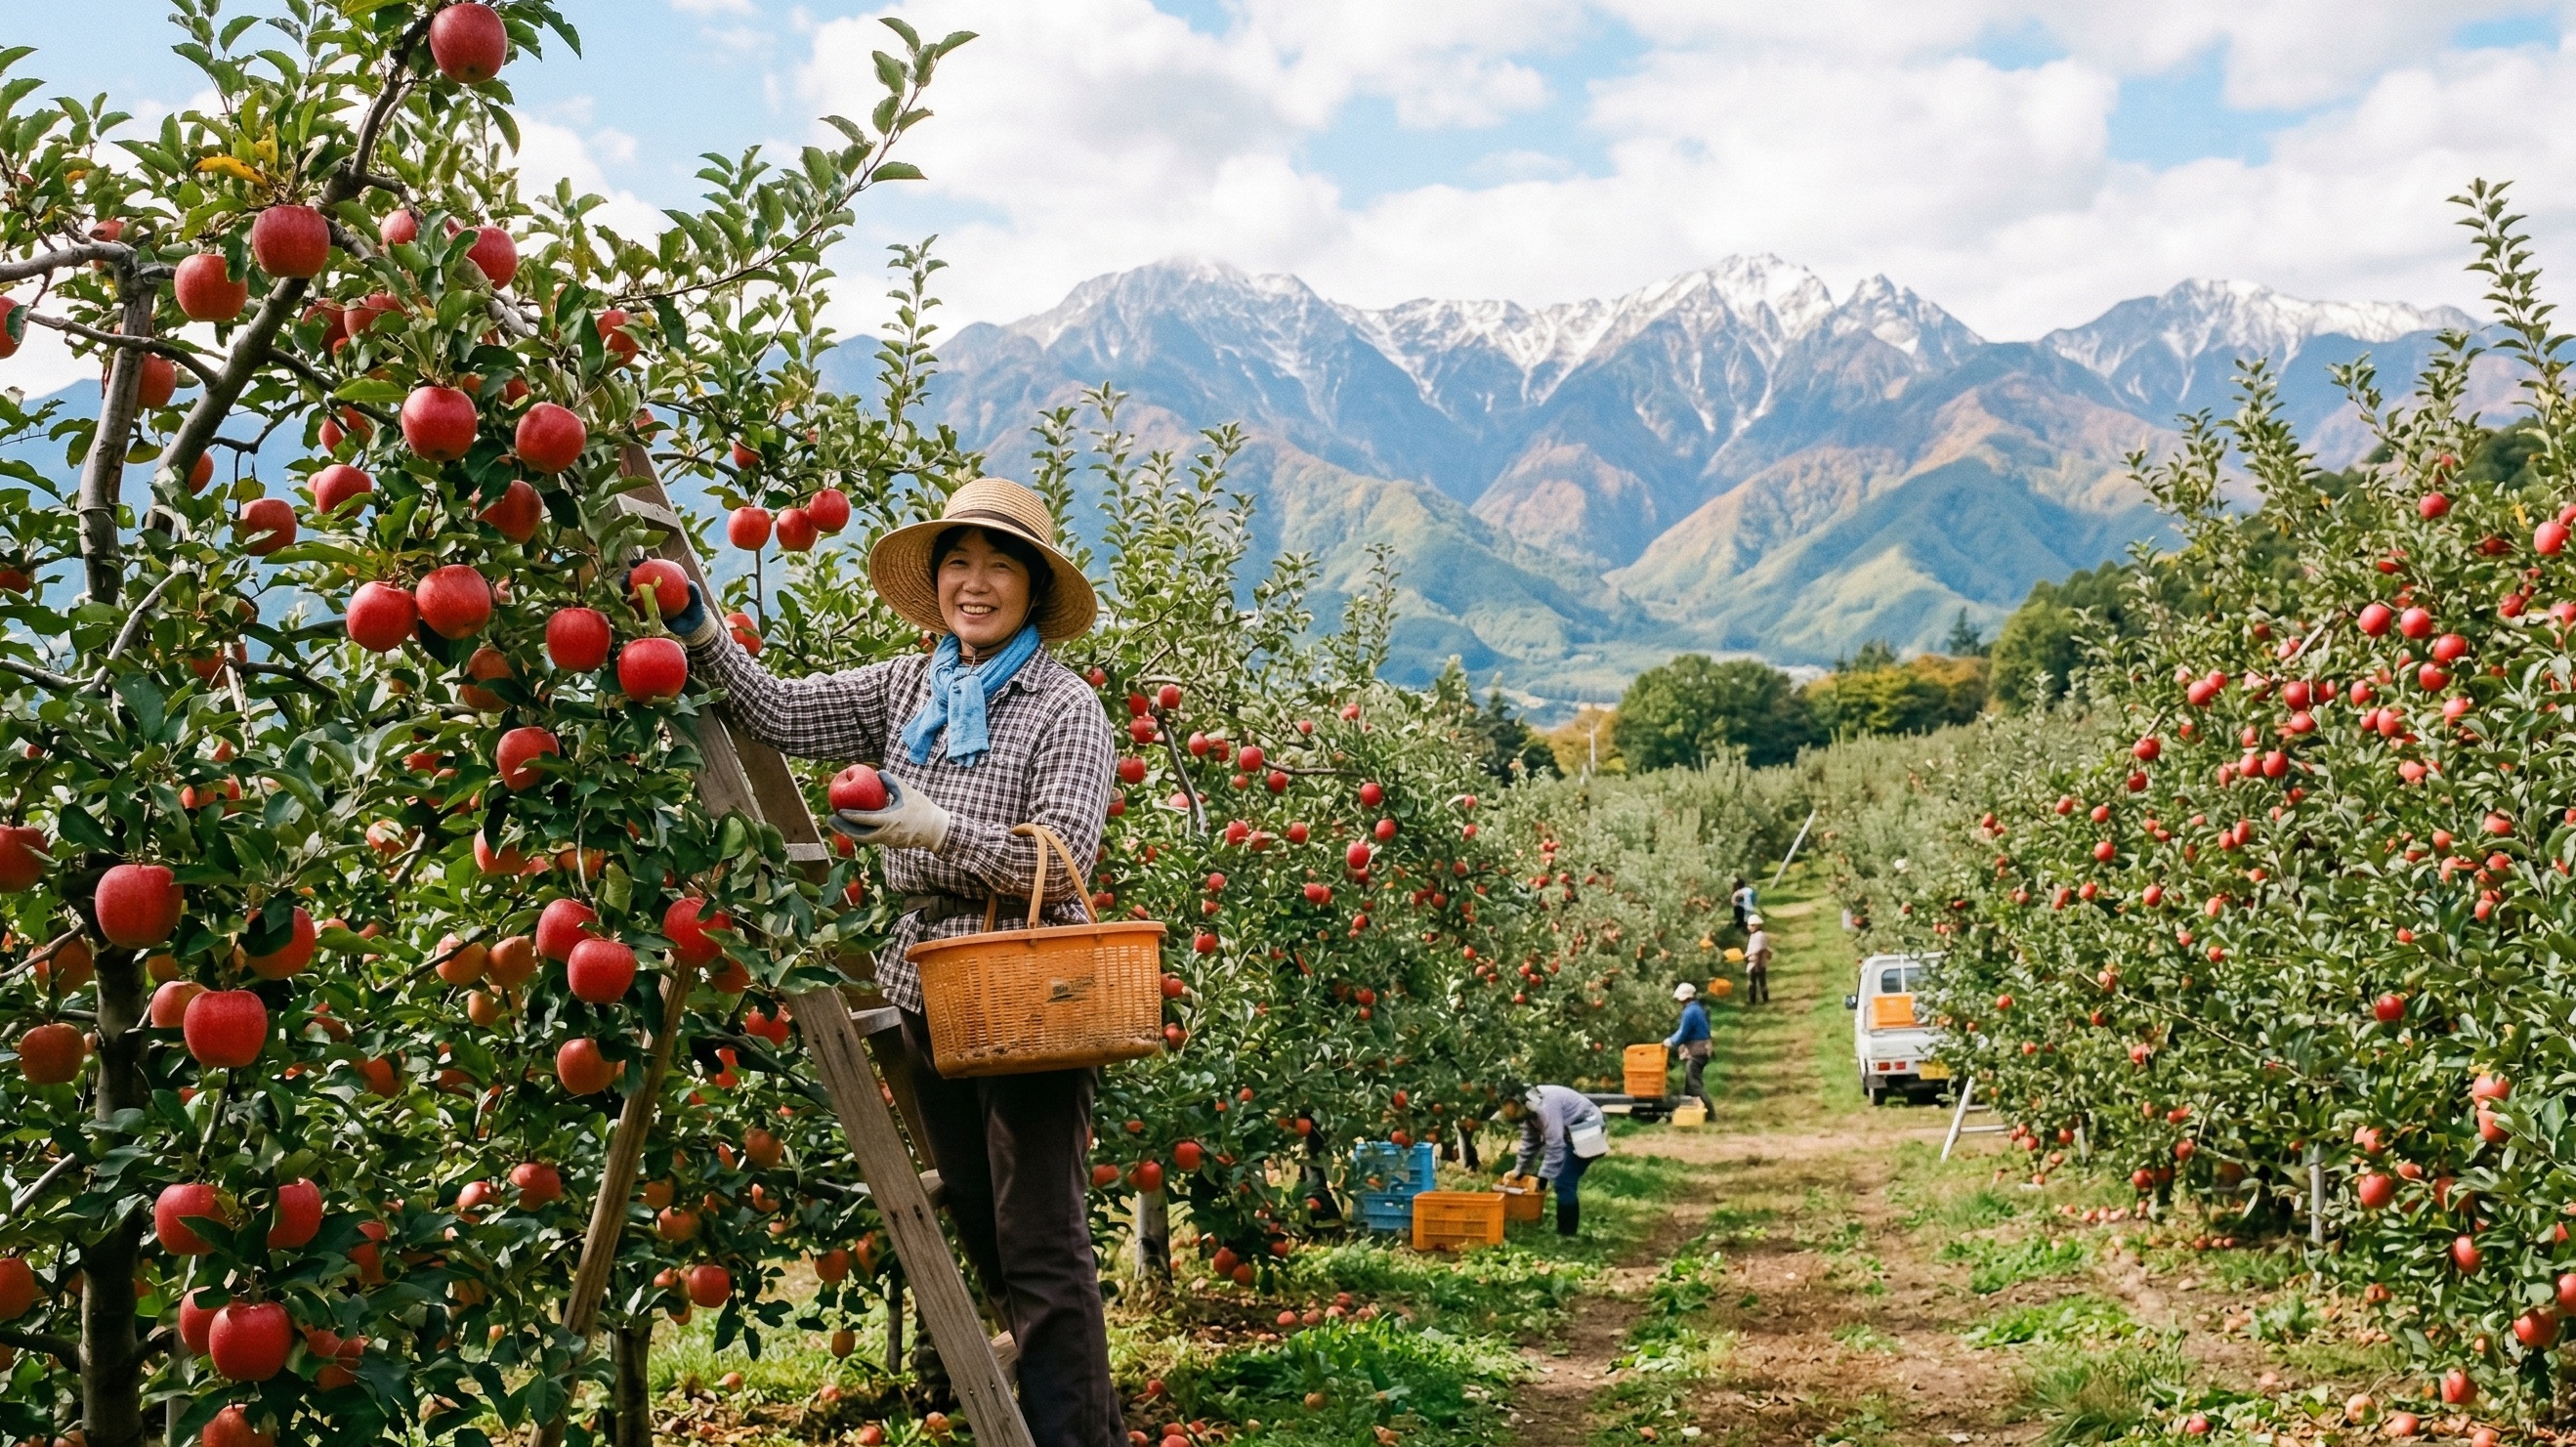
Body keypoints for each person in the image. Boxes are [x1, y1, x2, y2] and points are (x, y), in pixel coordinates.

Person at [660, 477, 1121, 1447]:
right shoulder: (905, 687)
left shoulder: (1065, 706)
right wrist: (699, 629)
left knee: (1040, 1238)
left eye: (1000, 565)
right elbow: (779, 712)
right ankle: (1069, 1422)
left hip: (1028, 986)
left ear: (1035, 589)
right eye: (960, 561)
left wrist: (934, 826)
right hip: (926, 985)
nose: (976, 582)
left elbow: (1064, 858)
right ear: (937, 578)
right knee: (987, 1224)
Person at [1504, 1082, 1610, 1237]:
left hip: (1588, 1128)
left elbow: (1555, 1144)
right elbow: (1530, 1142)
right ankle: (1565, 1233)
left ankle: (1567, 1235)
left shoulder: (1546, 1107)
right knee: (1562, 1178)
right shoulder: (1530, 1110)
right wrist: (1520, 1170)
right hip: (1570, 1131)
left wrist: (1543, 1179)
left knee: (1564, 1181)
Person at [1665, 982, 1713, 1115]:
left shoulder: (1690, 1012)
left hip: (1696, 1051)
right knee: (1689, 1087)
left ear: (1683, 998)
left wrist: (1670, 1041)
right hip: (1703, 1049)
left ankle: (1709, 1113)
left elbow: (1683, 1032)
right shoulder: (1697, 1008)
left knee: (1694, 1084)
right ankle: (1692, 1113)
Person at [1743, 913, 1772, 1004]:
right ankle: (1755, 999)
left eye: (1752, 925)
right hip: (1754, 962)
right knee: (1754, 981)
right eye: (1749, 925)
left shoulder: (1759, 935)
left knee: (1757, 981)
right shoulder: (1754, 935)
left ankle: (1760, 999)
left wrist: (1749, 957)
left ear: (1757, 925)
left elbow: (1758, 950)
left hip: (1757, 962)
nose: (1749, 927)